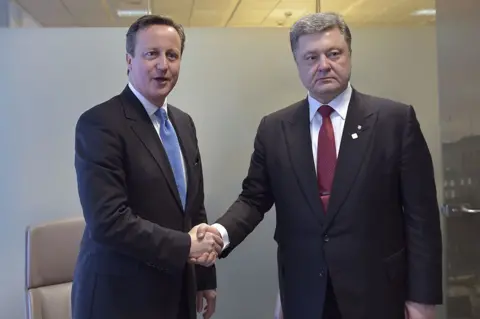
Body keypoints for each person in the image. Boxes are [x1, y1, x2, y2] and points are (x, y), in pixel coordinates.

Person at [194, 12, 443, 319]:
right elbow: (253, 199)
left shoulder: (394, 121)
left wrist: (423, 298)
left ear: (350, 54)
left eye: (333, 53)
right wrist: (219, 235)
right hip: (304, 294)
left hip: (378, 293)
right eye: (311, 57)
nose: (323, 65)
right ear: (297, 63)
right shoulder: (275, 128)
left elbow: (422, 219)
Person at [71, 15, 222, 319]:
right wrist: (185, 247)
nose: (163, 65)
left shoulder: (183, 123)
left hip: (178, 291)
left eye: (172, 55)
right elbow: (108, 220)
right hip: (121, 299)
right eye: (151, 54)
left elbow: (192, 207)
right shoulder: (100, 124)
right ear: (129, 60)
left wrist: (204, 276)